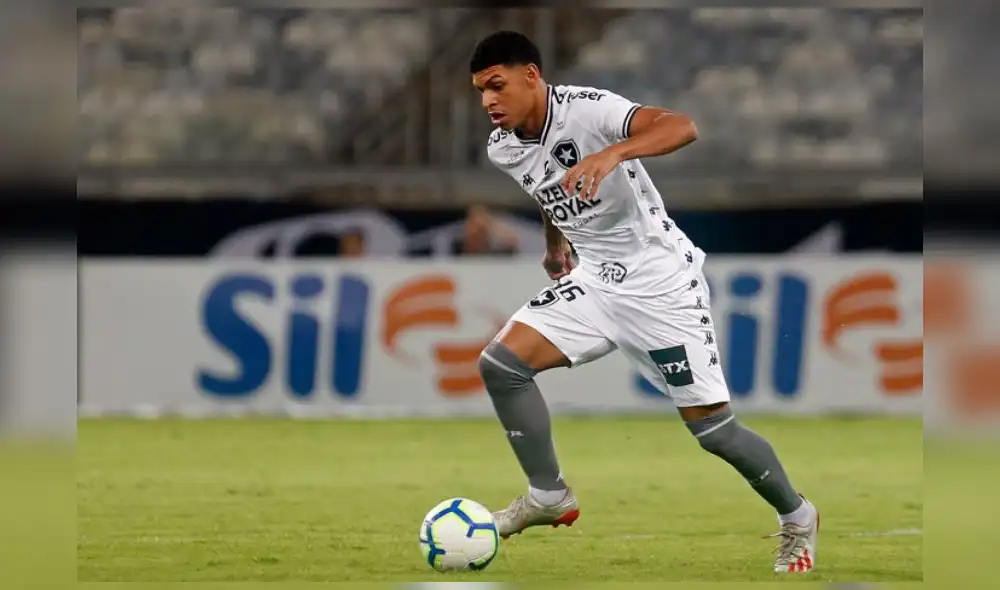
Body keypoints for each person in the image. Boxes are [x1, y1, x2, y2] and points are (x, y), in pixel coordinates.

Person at [470, 31, 820, 574]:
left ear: (531, 75)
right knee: (501, 364)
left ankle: (797, 515)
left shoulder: (588, 110)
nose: (489, 100)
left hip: (661, 285)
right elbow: (548, 189)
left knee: (715, 432)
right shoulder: (503, 146)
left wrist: (614, 152)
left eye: (497, 85)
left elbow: (682, 126)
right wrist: (555, 243)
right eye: (480, 92)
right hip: (595, 282)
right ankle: (548, 496)